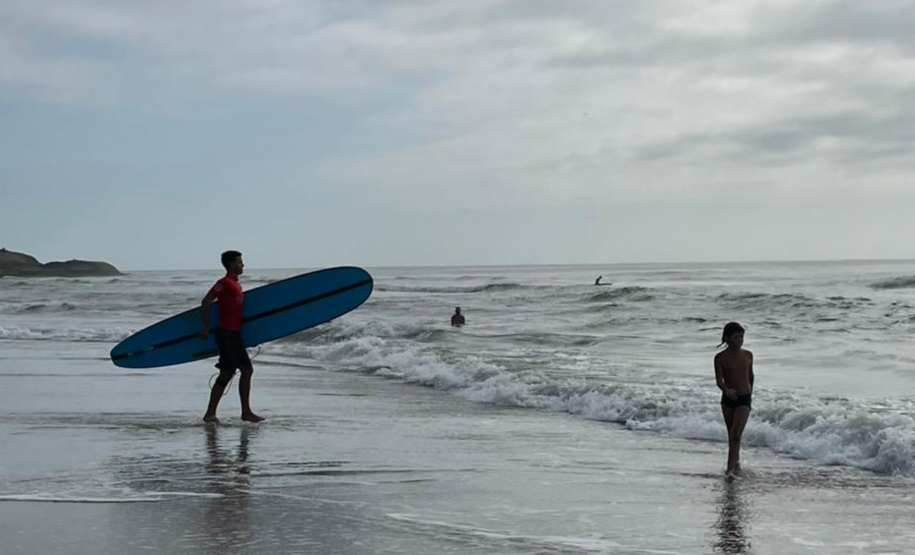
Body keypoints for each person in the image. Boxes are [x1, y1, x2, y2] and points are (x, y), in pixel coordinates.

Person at [200, 250, 263, 424]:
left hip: (233, 333)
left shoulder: (236, 284)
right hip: (227, 333)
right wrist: (205, 328)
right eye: (240, 262)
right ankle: (246, 412)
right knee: (247, 370)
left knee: (226, 373)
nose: (243, 264)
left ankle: (210, 414)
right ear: (231, 264)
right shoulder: (224, 283)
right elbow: (206, 302)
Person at [714, 322, 753, 481]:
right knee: (732, 436)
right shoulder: (720, 358)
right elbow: (719, 380)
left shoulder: (748, 355)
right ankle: (736, 464)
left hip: (744, 399)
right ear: (727, 338)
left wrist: (750, 393)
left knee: (736, 435)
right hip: (728, 399)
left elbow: (751, 376)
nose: (740, 340)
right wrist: (726, 390)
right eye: (737, 337)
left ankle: (729, 471)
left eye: (742, 337)